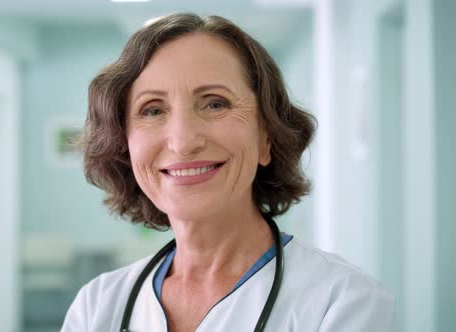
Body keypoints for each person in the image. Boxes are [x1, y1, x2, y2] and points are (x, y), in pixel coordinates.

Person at [61, 13, 394, 332]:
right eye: (152, 110)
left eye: (215, 103)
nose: (183, 142)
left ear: (267, 137)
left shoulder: (342, 301)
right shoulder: (97, 306)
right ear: (125, 145)